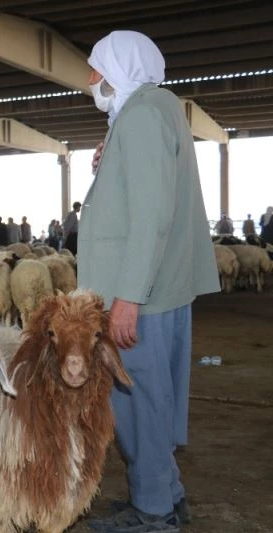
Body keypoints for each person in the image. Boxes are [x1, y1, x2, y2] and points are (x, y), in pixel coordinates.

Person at [80, 30, 220, 533]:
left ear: (119, 69)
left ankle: (154, 513)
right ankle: (164, 493)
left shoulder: (141, 117)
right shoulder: (153, 113)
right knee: (149, 399)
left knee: (137, 402)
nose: (90, 80)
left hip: (139, 294)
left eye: (96, 69)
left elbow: (149, 219)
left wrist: (126, 300)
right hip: (156, 290)